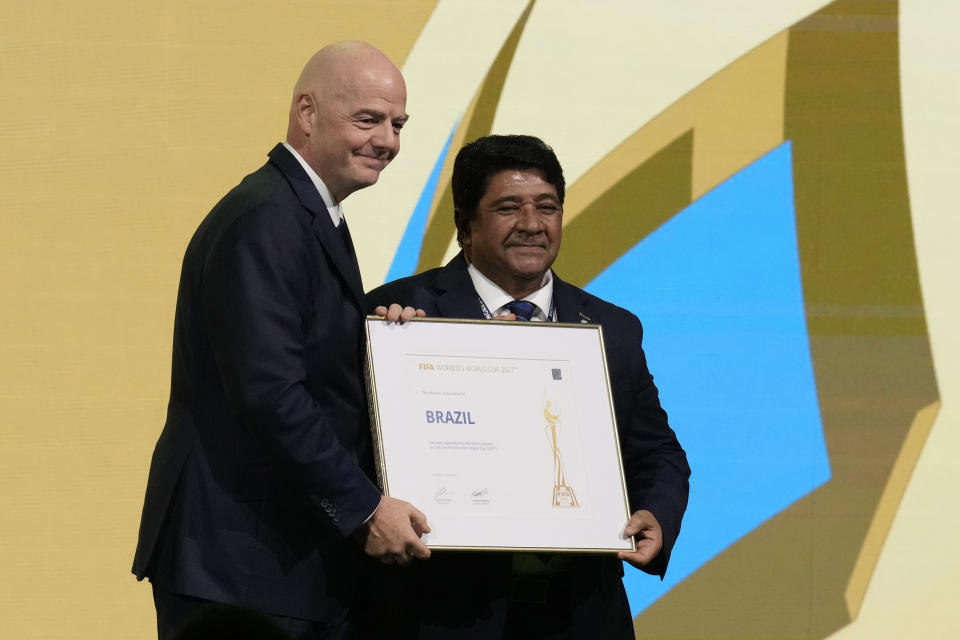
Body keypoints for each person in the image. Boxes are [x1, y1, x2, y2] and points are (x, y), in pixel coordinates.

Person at [133, 41, 430, 640]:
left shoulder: (306, 213)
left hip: (274, 558)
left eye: (397, 124)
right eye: (368, 119)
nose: (388, 141)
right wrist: (365, 509)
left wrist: (384, 345)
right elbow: (270, 393)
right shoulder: (268, 219)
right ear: (306, 112)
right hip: (242, 561)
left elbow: (307, 359)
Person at [366, 134, 691, 639]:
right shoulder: (399, 316)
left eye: (547, 207)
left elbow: (658, 452)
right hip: (439, 613)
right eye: (508, 207)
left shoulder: (612, 328)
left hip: (580, 615)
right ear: (464, 225)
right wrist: (391, 356)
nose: (532, 224)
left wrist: (656, 512)